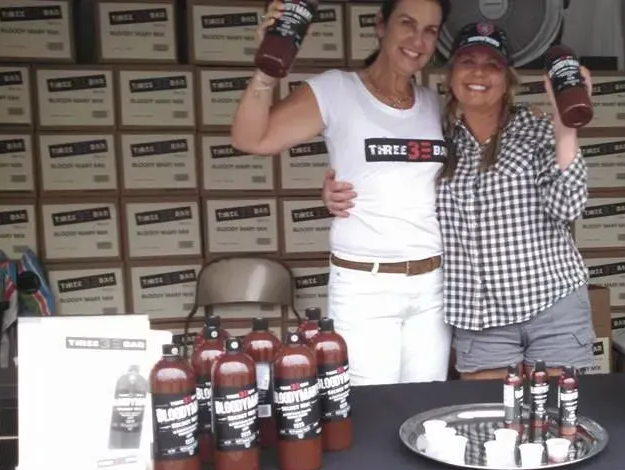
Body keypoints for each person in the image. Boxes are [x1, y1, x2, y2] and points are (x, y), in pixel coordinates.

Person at [324, 22, 597, 380]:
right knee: (491, 425)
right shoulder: (433, 137)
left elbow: (568, 206)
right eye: (468, 61)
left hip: (553, 305)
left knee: (559, 422)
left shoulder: (536, 129)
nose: (479, 73)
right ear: (450, 75)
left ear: (507, 79)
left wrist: (566, 126)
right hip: (481, 318)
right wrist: (336, 190)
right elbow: (387, 181)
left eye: (492, 65)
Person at [231, 0, 454, 386]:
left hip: (431, 285)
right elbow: (251, 138)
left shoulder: (435, 104)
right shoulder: (336, 90)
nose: (417, 40)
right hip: (365, 285)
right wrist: (265, 72)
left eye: (430, 31)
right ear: (380, 26)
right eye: (407, 23)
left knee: (426, 406)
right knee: (372, 412)